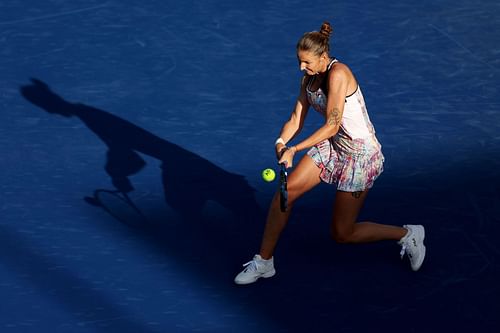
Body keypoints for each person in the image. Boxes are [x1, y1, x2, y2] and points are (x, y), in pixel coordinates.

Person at [234, 22, 426, 285]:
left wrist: (295, 149)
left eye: (306, 62)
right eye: (299, 62)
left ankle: (406, 234)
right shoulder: (308, 79)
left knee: (342, 233)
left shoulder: (339, 74)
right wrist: (281, 142)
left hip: (360, 156)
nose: (302, 67)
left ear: (323, 57)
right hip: (334, 145)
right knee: (284, 193)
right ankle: (264, 262)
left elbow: (332, 124)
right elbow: (295, 119)